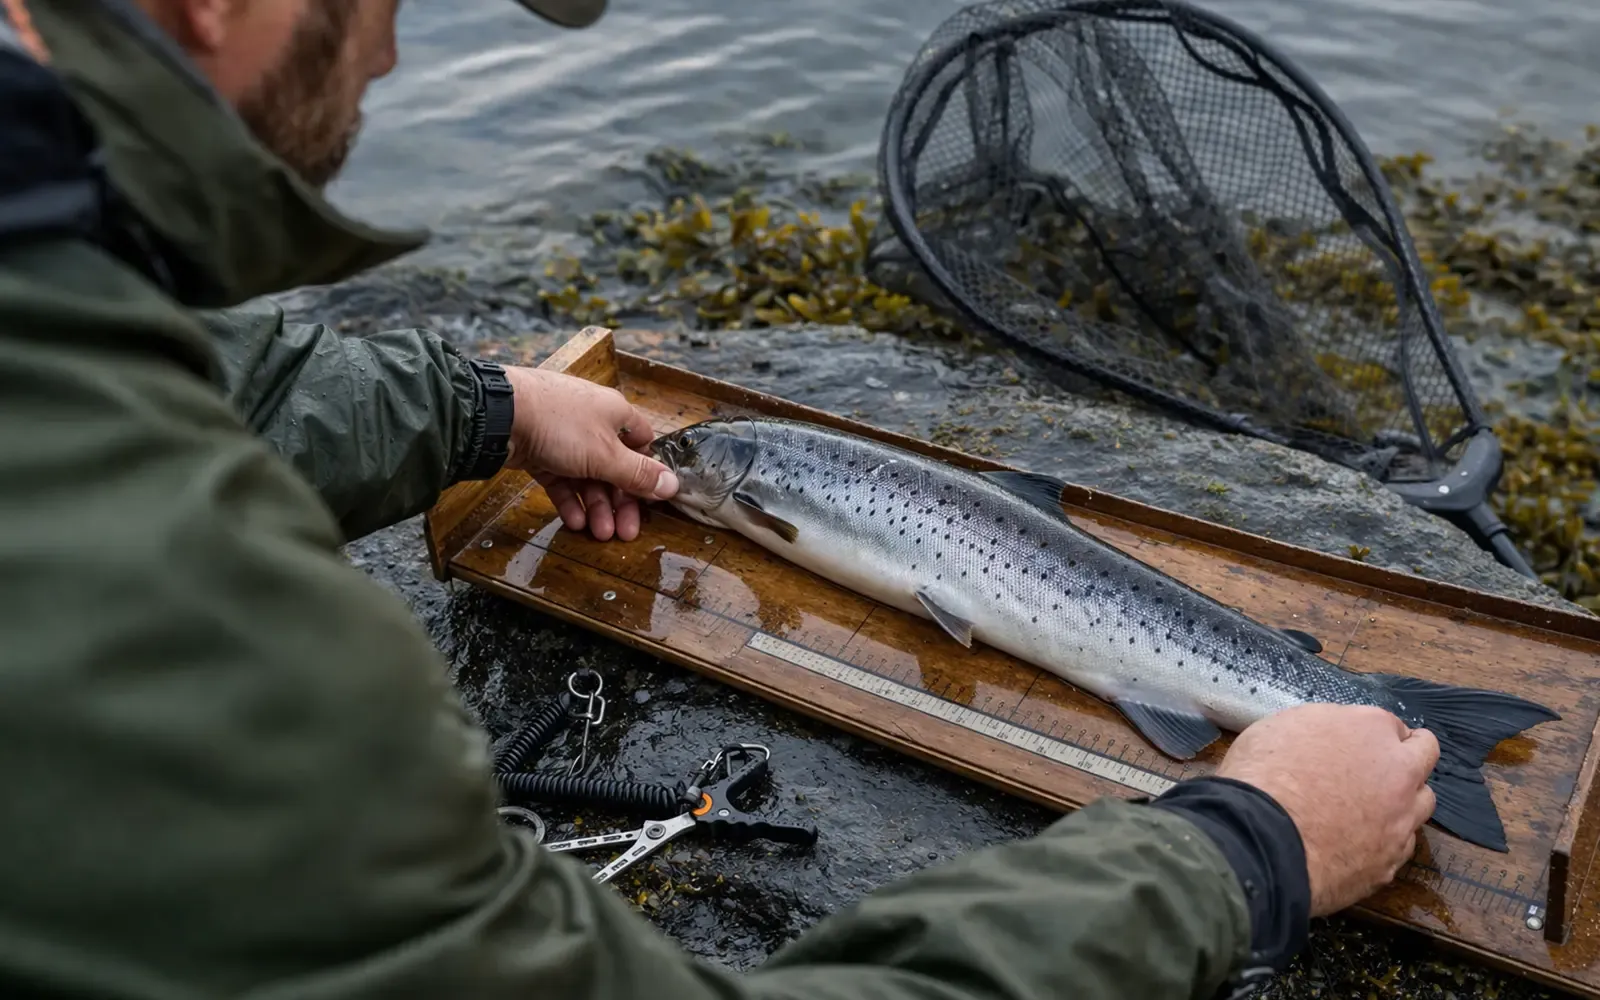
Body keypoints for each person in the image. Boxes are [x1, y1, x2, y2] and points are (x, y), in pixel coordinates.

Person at [0, 1, 1440, 998]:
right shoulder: (195, 617)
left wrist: (484, 405)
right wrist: (1242, 858)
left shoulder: (65, 311)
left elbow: (197, 376)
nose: (389, 49)